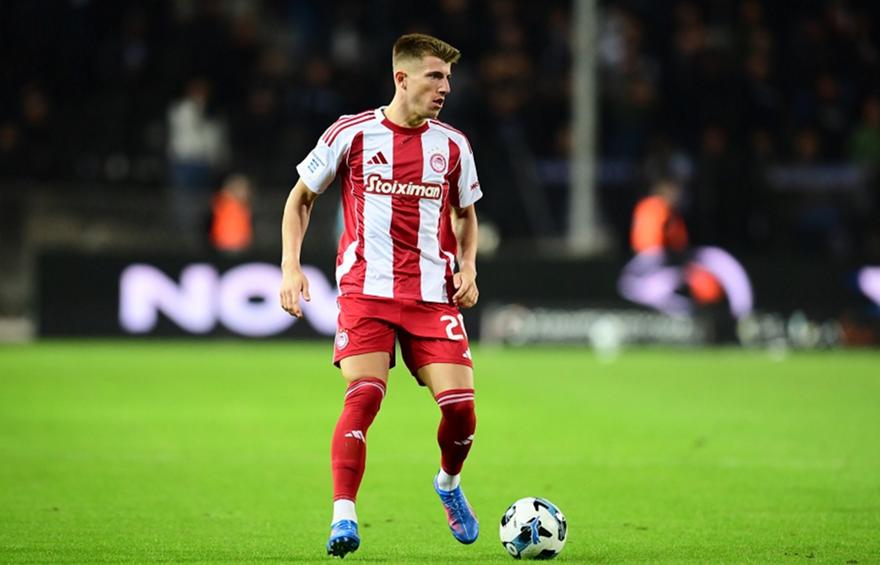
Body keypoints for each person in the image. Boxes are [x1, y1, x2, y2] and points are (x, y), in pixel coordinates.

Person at [279, 33, 482, 558]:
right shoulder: (350, 133)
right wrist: (290, 266)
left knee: (461, 410)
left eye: (448, 78)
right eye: (435, 77)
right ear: (402, 78)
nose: (445, 88)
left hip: (432, 296)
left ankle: (448, 483)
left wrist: (468, 265)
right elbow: (300, 198)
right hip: (366, 293)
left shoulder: (453, 146)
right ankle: (343, 515)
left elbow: (465, 213)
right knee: (365, 395)